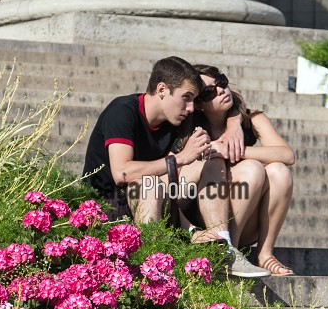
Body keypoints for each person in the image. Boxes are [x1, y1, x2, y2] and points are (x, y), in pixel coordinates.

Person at [82, 56, 265, 278]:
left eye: (194, 100)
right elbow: (122, 173)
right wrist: (180, 159)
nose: (190, 108)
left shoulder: (175, 118)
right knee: (148, 184)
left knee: (210, 156)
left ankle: (224, 247)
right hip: (110, 207)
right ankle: (154, 267)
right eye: (186, 99)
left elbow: (226, 102)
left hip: (159, 198)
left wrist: (234, 121)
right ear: (162, 89)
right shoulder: (122, 111)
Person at [181, 64, 296, 275]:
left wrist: (232, 150)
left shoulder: (251, 119)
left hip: (248, 220)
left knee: (279, 171)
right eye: (209, 92)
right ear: (198, 104)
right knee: (253, 169)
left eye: (221, 82)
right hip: (209, 219)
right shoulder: (190, 128)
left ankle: (265, 254)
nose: (221, 90)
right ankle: (226, 251)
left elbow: (287, 155)